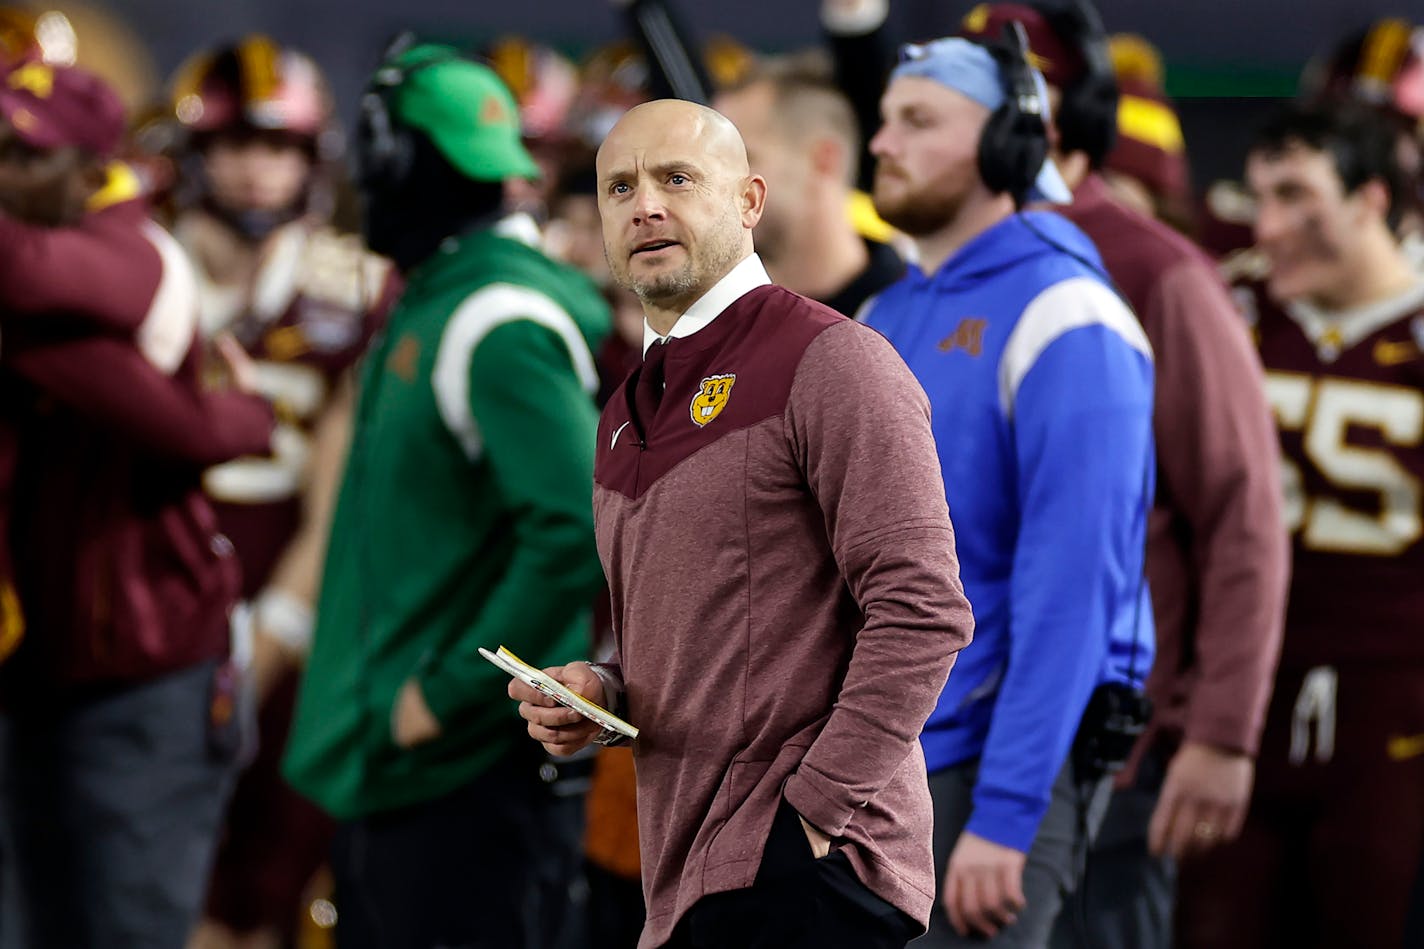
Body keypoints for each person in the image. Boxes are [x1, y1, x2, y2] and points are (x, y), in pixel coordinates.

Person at [509, 97, 974, 949]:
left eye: (676, 178)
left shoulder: (834, 360)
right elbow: (712, 635)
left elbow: (925, 608)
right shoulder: (622, 408)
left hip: (802, 867)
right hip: (691, 873)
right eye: (619, 188)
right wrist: (605, 691)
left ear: (750, 201)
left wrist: (818, 808)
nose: (644, 205)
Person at [953, 6, 1290, 948]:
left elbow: (1241, 514)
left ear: (1045, 113)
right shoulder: (938, 271)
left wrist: (1223, 732)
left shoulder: (1157, 270)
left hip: (1107, 754)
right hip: (949, 740)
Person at [279, 44, 609, 949]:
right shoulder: (440, 296)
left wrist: (454, 689)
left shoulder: (497, 321)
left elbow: (577, 529)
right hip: (402, 766)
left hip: (462, 774)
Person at [860, 34, 1156, 947]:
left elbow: (1069, 592)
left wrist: (1009, 813)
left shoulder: (1069, 315)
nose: (882, 141)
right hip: (887, 748)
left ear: (1008, 146)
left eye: (918, 119)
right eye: (882, 119)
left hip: (997, 759)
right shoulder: (883, 312)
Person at [0, 60, 276, 948]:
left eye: (19, 153)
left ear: (92, 172)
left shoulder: (136, 253)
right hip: (33, 662)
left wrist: (232, 419)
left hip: (146, 670)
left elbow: (173, 426)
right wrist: (231, 415)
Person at [164, 36, 400, 949]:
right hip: (159, 600)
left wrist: (286, 618)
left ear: (311, 159)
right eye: (235, 145)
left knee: (268, 879)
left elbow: (345, 468)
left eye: (280, 148)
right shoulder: (145, 267)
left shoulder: (352, 282)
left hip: (296, 611)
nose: (257, 170)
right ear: (197, 155)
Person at [1176, 104, 1424, 949]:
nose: (1270, 225)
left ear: (1369, 199)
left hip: (1393, 709)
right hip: (1236, 693)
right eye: (1261, 197)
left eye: (1298, 197)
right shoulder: (1228, 306)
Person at [713, 54, 904, 317]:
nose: (714, 182)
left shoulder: (914, 323)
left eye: (744, 158)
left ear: (823, 161)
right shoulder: (708, 323)